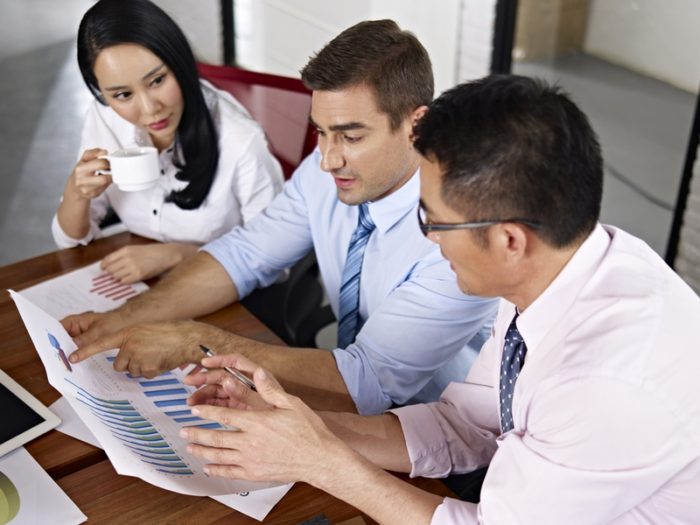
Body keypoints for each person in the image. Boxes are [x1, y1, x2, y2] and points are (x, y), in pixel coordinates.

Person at [179, 76, 700, 524]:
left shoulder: (605, 382)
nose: (427, 238)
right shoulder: (562, 269)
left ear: (509, 240)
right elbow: (467, 424)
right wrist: (301, 427)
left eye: (433, 220)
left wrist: (320, 462)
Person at [63, 20, 499, 414]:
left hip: (449, 432)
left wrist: (191, 343)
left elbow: (369, 382)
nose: (327, 160)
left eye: (350, 135)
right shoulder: (328, 170)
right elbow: (245, 253)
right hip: (355, 400)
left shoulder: (456, 233)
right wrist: (124, 317)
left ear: (415, 126)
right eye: (321, 132)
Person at [52, 0, 283, 283]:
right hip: (141, 278)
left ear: (180, 62)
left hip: (221, 284)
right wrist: (77, 193)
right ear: (102, 93)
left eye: (157, 80)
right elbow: (72, 243)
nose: (150, 109)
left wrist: (179, 254)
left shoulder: (240, 140)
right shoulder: (104, 118)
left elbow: (274, 261)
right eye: (123, 95)